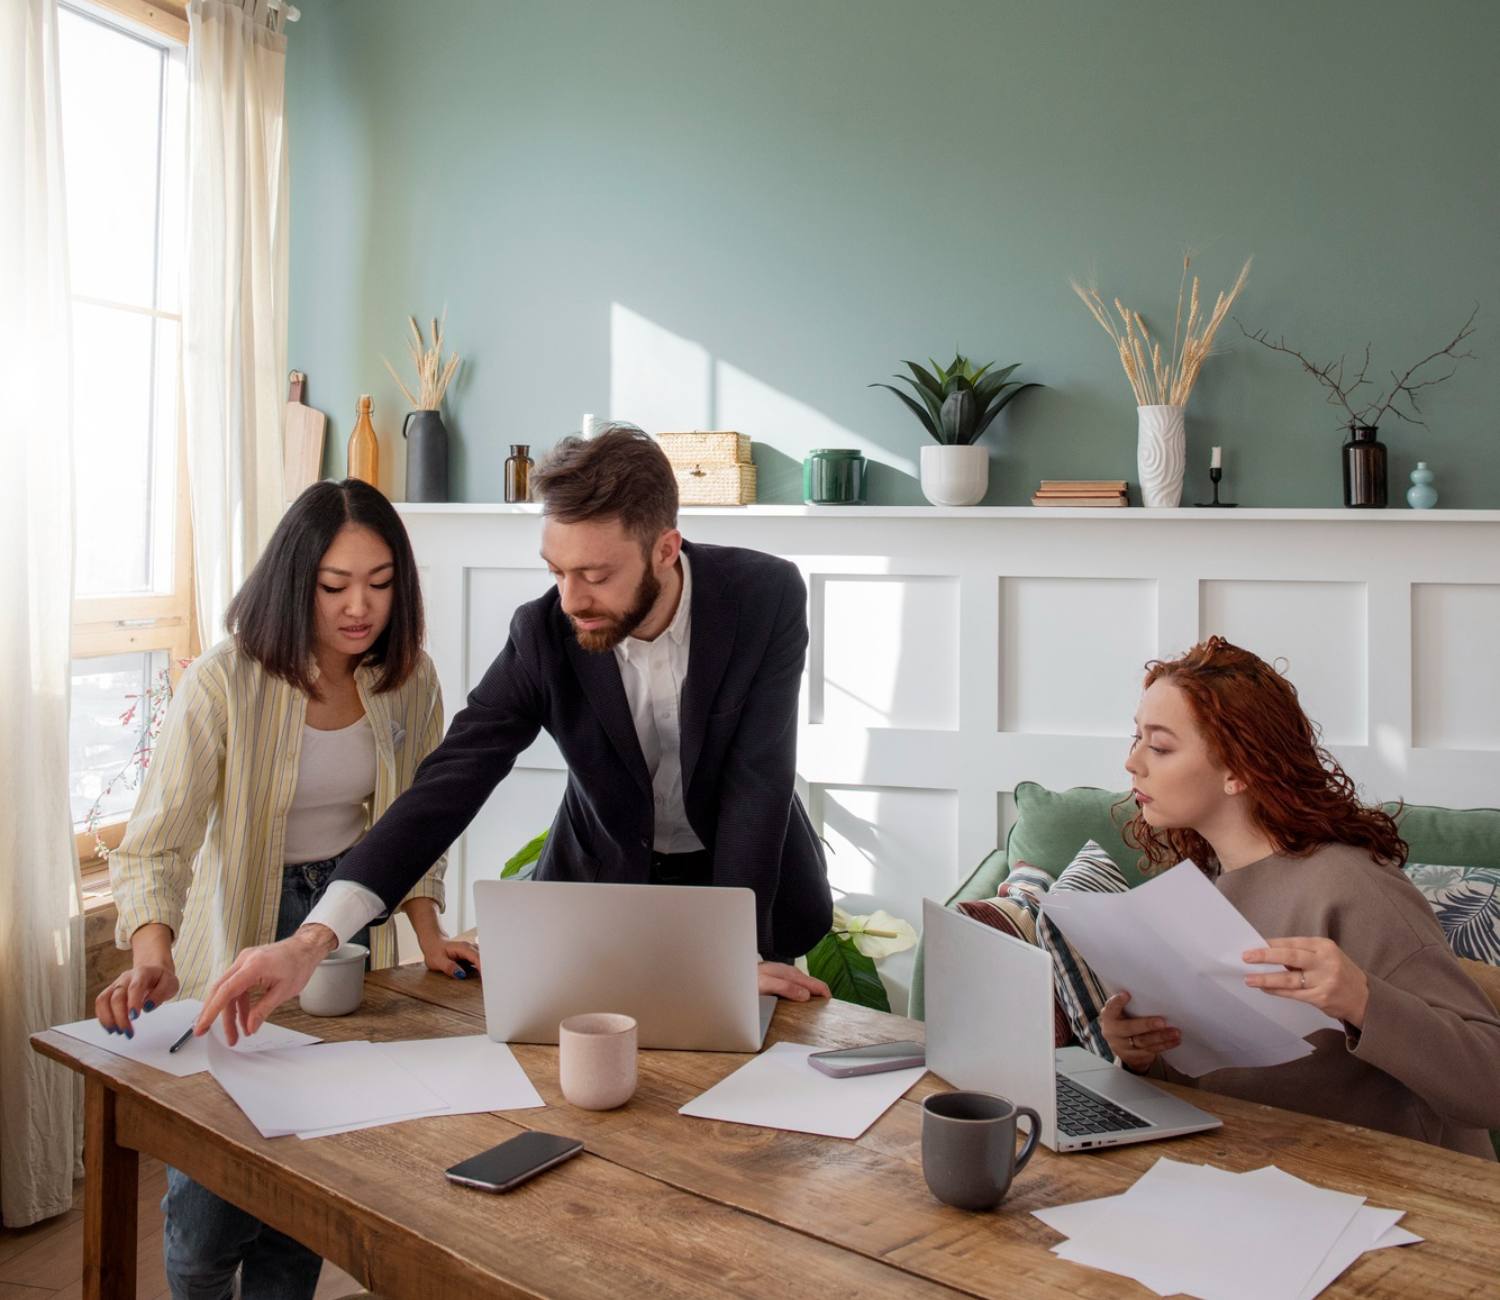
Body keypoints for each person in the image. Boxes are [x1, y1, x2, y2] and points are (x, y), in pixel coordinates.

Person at [197, 425, 833, 1043]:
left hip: (748, 892)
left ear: (666, 549)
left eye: (596, 575)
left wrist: (736, 954)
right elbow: (451, 780)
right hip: (602, 896)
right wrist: (313, 939)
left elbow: (758, 775)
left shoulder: (764, 595)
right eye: (556, 571)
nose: (570, 599)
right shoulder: (542, 634)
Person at [98, 478, 476, 1300]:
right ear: (294, 579)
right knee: (206, 1220)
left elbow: (415, 819)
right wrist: (152, 953)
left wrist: (432, 930)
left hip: (344, 931)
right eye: (335, 585)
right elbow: (158, 842)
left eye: (380, 584)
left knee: (307, 1188)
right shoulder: (224, 681)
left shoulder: (410, 681)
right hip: (241, 923)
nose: (359, 607)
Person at [1102, 636, 1500, 1159]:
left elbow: (1490, 1085)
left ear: (1238, 770)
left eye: (1159, 745)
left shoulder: (1353, 887)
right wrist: (1140, 1057)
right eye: (1136, 738)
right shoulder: (1197, 888)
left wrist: (1362, 999)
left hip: (1396, 1197)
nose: (1133, 763)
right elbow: (1220, 1083)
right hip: (1252, 1180)